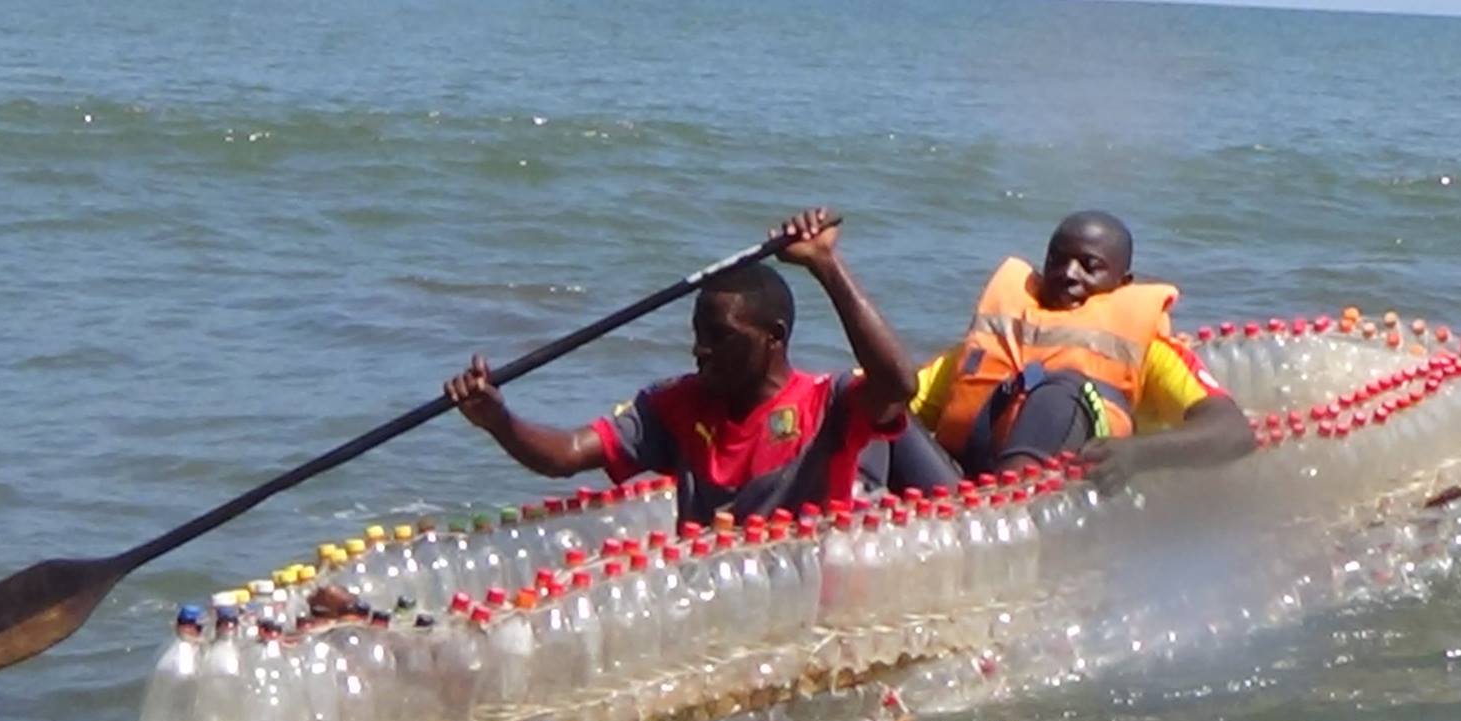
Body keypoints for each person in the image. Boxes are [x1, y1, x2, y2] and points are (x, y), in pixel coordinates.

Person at [443, 209, 916, 523]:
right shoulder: (674, 404)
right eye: (697, 334)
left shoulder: (826, 405)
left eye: (720, 337)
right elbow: (566, 454)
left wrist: (825, 265)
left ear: (774, 337)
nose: (700, 351)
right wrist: (499, 421)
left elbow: (898, 383)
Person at [904, 210, 1254, 493]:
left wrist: (1137, 454)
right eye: (1057, 261)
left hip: (1032, 501)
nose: (1068, 274)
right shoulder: (996, 338)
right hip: (955, 485)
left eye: (1090, 266)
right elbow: (899, 405)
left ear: (1122, 283)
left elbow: (1233, 432)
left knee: (1060, 390)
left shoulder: (1148, 351)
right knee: (877, 407)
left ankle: (1010, 499)